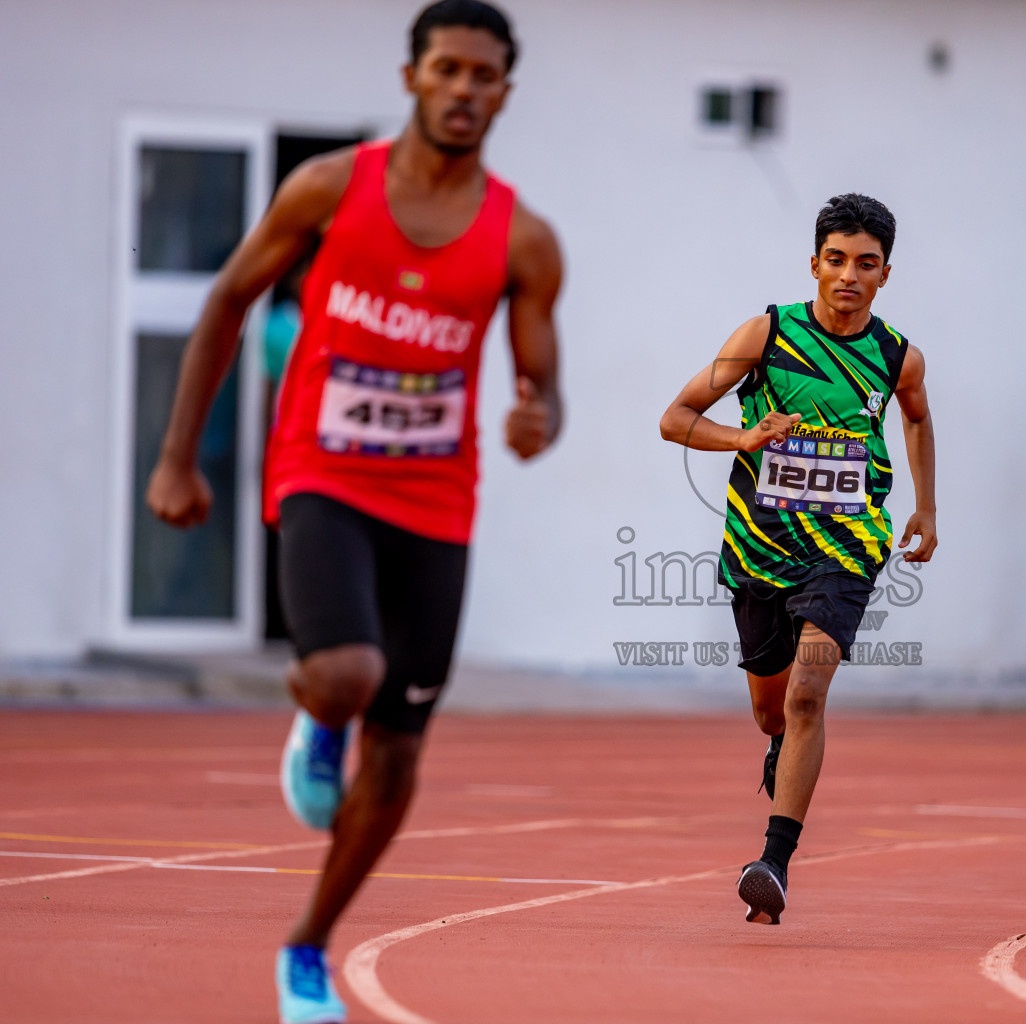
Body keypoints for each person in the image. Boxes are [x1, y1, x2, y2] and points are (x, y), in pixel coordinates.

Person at [144, 2, 562, 1019]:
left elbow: (543, 380)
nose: (466, 90)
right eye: (449, 69)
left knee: (404, 747)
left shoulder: (525, 239)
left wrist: (536, 416)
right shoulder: (330, 187)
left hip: (435, 497)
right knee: (344, 671)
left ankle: (308, 945)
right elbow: (226, 303)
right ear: (413, 76)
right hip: (322, 471)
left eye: (485, 75)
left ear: (506, 92)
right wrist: (177, 457)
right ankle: (315, 719)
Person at [659, 194, 937, 925]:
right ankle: (783, 742)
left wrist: (925, 506)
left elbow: (916, 417)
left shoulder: (896, 356)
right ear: (814, 263)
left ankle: (773, 863)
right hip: (760, 546)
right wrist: (743, 439)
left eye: (866, 264)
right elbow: (676, 418)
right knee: (771, 710)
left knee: (809, 694)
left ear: (885, 274)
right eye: (837, 260)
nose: (849, 275)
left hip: (848, 545)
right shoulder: (766, 335)